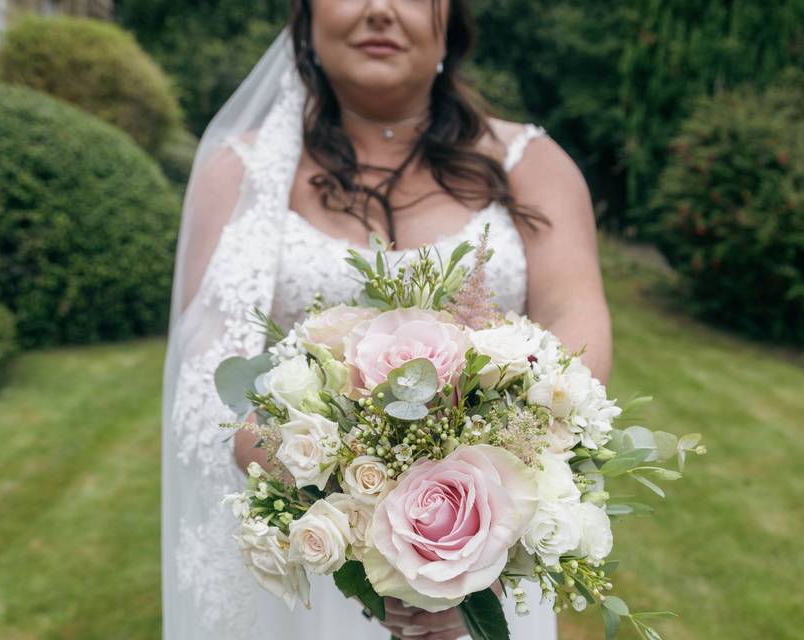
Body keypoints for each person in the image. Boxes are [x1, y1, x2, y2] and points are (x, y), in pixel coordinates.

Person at [161, 1, 613, 638]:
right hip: (313, 560)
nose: (377, 9)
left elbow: (576, 322)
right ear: (307, 17)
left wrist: (475, 529)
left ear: (450, 21)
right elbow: (207, 374)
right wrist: (350, 501)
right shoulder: (236, 175)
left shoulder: (535, 166)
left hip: (491, 557)